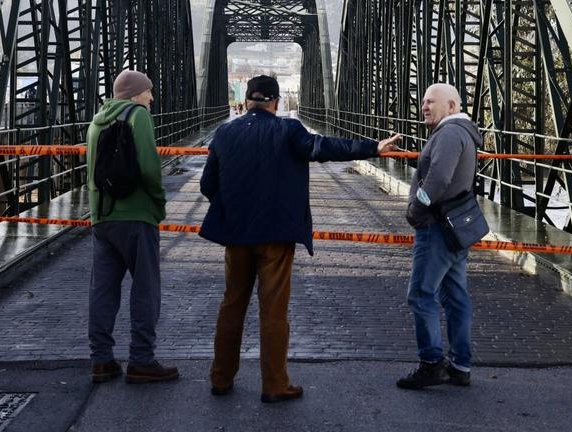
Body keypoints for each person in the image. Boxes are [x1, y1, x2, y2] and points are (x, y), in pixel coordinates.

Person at [199, 74, 401, 403]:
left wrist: (233, 208)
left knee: (232, 304)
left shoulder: (225, 132)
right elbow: (324, 147)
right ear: (276, 102)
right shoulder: (288, 130)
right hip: (276, 237)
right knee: (273, 311)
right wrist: (373, 147)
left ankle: (220, 378)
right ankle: (275, 384)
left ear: (247, 101)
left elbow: (207, 185)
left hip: (236, 236)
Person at [86, 69, 180, 385]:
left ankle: (101, 360)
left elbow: (90, 174)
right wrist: (159, 203)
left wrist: (97, 212)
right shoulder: (138, 116)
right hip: (136, 216)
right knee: (145, 289)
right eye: (148, 91)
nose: (151, 97)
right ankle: (141, 360)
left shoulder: (96, 122)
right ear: (134, 93)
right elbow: (150, 168)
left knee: (102, 291)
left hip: (103, 218)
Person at [396, 83, 482, 390]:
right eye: (423, 101)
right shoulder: (462, 132)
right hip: (454, 229)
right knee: (456, 297)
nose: (424, 107)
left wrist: (416, 208)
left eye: (432, 101)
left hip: (436, 228)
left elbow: (439, 178)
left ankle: (431, 364)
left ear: (452, 106)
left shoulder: (448, 134)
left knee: (421, 294)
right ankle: (460, 365)